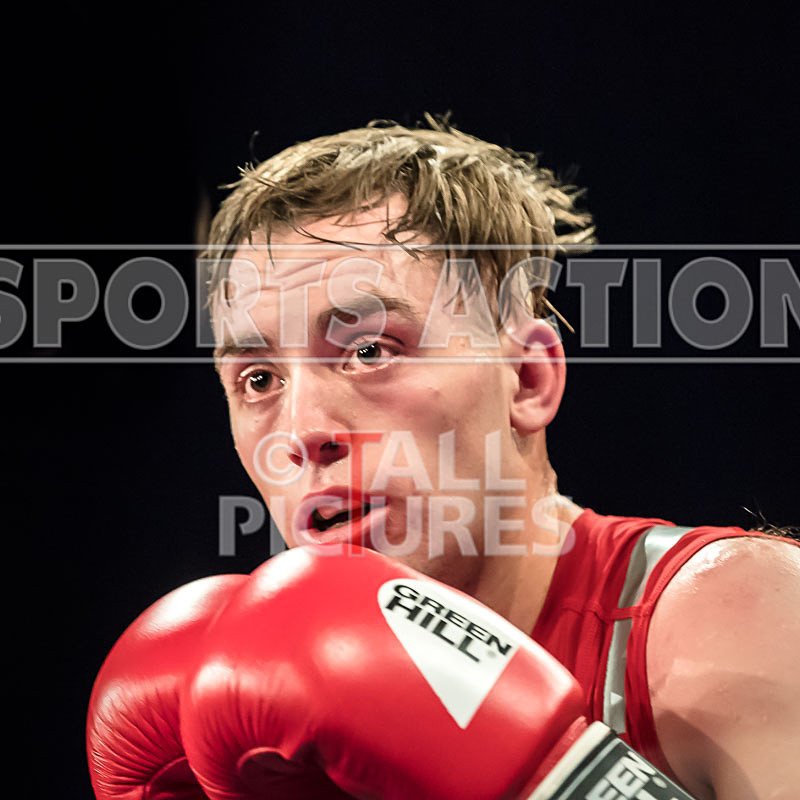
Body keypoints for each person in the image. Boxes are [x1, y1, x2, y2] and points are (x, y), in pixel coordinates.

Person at [87, 117, 799, 799]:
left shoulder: (735, 623)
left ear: (526, 378)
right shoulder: (246, 732)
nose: (300, 430)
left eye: (369, 350)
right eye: (259, 380)